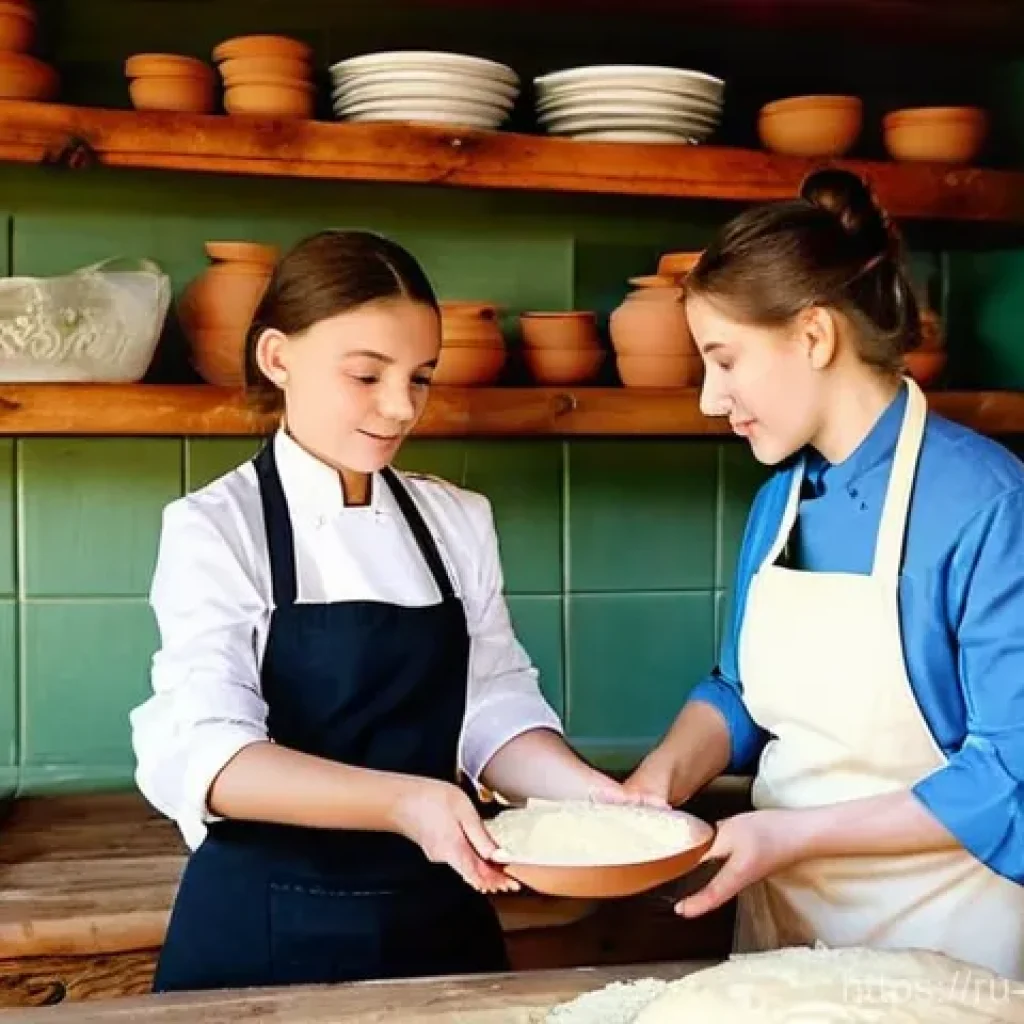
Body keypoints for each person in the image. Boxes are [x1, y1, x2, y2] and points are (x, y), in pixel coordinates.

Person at [131, 229, 624, 993]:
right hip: (264, 927)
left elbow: (492, 706)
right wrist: (407, 801)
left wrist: (591, 795)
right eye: (367, 375)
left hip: (439, 913)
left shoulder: (457, 520)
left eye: (420, 378)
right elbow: (209, 758)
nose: (400, 408)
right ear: (277, 358)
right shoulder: (214, 527)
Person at [625, 169, 1024, 980]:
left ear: (814, 336)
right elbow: (742, 692)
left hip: (947, 950)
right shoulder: (780, 501)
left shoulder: (988, 504)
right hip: (786, 942)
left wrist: (787, 835)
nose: (710, 400)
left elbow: (1011, 778)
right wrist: (652, 787)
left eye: (725, 360)